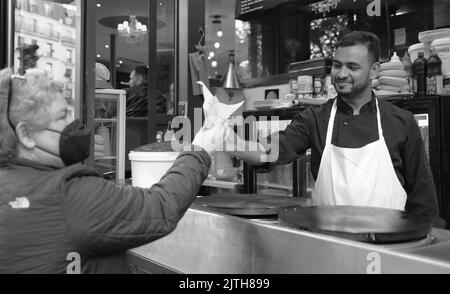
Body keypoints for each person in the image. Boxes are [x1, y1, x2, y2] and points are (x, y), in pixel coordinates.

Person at [0, 68, 227, 273]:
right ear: (26, 135)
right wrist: (201, 148)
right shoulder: (68, 194)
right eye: (62, 116)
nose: (74, 122)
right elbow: (161, 206)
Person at [226, 31, 445, 227]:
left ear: (374, 70)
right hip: (330, 248)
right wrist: (227, 140)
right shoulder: (315, 118)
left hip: (389, 252)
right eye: (337, 65)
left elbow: (424, 202)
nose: (341, 74)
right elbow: (268, 152)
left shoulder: (401, 122)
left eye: (352, 67)